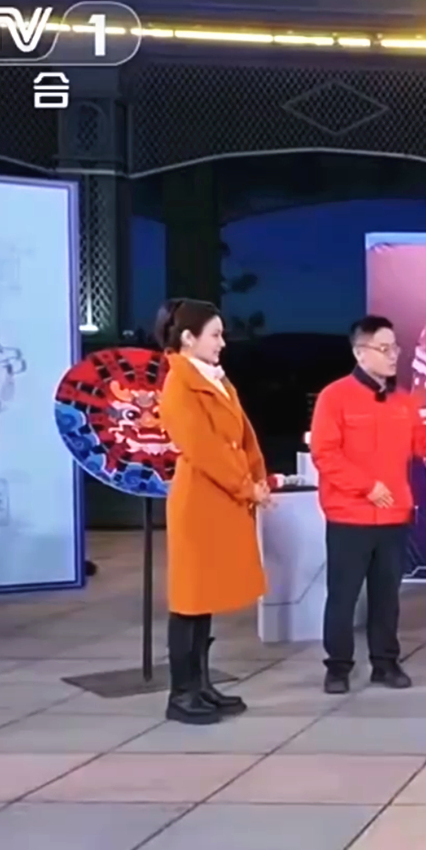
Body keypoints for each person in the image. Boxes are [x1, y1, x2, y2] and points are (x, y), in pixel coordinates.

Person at [309, 315, 426, 694]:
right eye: (384, 348)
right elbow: (325, 454)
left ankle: (385, 663)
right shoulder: (335, 397)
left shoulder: (403, 400)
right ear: (360, 353)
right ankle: (338, 667)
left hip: (394, 515)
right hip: (349, 516)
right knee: (343, 596)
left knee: (387, 596)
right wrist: (366, 487)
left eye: (395, 347)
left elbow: (424, 443)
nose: (394, 355)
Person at [154, 298, 274, 725]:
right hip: (200, 500)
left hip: (221, 496)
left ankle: (201, 685)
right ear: (189, 338)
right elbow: (203, 447)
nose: (222, 343)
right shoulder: (180, 384)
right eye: (216, 335)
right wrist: (246, 486)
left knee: (203, 598)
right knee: (189, 599)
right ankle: (182, 693)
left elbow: (243, 435)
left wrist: (259, 478)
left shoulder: (214, 378)